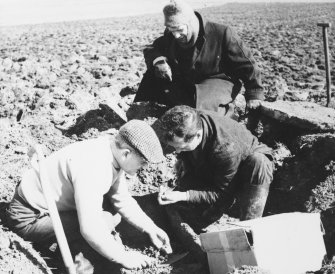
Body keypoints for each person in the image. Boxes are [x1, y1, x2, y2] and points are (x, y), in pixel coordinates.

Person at [5, 120, 172, 271]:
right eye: (142, 162)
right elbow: (90, 229)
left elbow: (122, 199)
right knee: (104, 221)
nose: (143, 168)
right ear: (126, 153)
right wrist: (124, 257)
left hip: (45, 206)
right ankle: (66, 260)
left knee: (111, 216)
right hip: (28, 218)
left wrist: (150, 228)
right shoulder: (94, 166)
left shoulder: (111, 151)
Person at [134, 0, 264, 116]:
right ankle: (138, 116)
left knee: (201, 114)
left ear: (190, 22)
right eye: (171, 30)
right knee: (153, 75)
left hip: (217, 80)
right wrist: (159, 61)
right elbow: (152, 49)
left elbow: (246, 64)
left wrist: (254, 93)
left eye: (179, 30)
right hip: (186, 81)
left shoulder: (222, 33)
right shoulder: (171, 35)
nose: (176, 35)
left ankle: (223, 119)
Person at [156, 105, 274, 221]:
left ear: (198, 135)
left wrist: (183, 195)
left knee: (259, 162)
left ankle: (249, 227)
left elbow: (222, 194)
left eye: (182, 147)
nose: (177, 151)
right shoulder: (190, 119)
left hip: (244, 170)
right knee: (190, 212)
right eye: (175, 147)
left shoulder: (225, 149)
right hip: (217, 166)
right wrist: (171, 186)